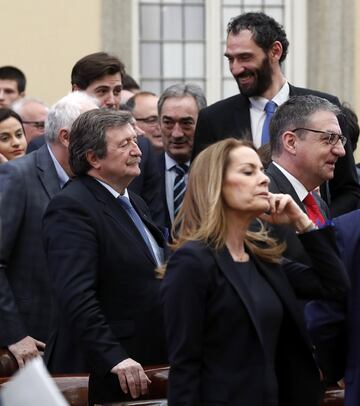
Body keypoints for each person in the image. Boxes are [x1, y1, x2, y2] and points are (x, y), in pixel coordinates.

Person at [161, 138, 349, 406]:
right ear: (216, 185)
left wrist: (303, 223)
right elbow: (185, 366)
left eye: (261, 170)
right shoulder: (192, 262)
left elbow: (336, 286)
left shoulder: (263, 258)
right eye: (248, 172)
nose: (264, 180)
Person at [42, 109, 167, 405]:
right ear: (93, 158)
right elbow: (76, 294)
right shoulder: (72, 207)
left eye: (135, 141)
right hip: (102, 369)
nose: (137, 150)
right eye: (124, 145)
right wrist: (114, 357)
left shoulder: (132, 200)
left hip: (144, 360)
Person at [192, 12, 360, 217]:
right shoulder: (213, 119)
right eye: (230, 59)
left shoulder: (325, 108)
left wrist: (314, 226)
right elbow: (201, 193)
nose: (235, 69)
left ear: (275, 51)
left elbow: (349, 191)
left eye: (245, 57)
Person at [0, 91, 98, 368]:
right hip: (31, 342)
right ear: (66, 137)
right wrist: (14, 334)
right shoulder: (17, 176)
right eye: (94, 129)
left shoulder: (91, 180)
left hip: (78, 341)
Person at [71, 51, 164, 225]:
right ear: (77, 92)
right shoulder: (55, 144)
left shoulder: (141, 144)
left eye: (117, 91)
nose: (112, 101)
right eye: (102, 91)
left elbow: (155, 222)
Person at [157, 83, 207, 232]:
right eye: (168, 123)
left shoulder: (217, 173)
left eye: (186, 123)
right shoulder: (142, 173)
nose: (176, 134)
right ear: (159, 123)